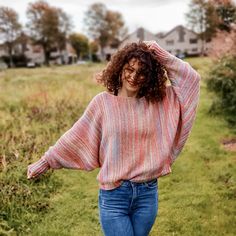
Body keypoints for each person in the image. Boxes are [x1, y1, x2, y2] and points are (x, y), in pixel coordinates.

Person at [27, 40, 201, 236]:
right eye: (129, 69)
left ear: (149, 77)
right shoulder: (102, 103)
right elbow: (76, 135)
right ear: (119, 69)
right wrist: (46, 161)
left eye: (142, 72)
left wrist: (160, 54)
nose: (134, 76)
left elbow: (191, 80)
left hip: (147, 194)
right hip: (114, 196)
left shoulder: (158, 102)